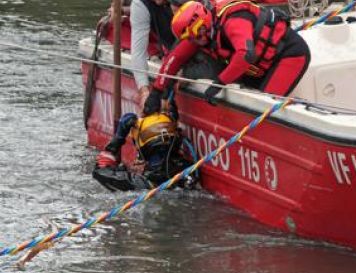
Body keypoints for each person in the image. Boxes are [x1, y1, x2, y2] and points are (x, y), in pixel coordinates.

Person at [143, 0, 311, 109]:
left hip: (288, 56)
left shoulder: (233, 21)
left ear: (201, 28)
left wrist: (219, 83)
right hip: (258, 67)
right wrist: (156, 92)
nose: (192, 43)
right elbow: (175, 58)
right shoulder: (199, 34)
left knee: (264, 108)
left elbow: (246, 55)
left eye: (193, 38)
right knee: (252, 104)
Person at [93, 109, 198, 191]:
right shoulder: (189, 171)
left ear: (144, 149)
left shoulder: (141, 184)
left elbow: (99, 172)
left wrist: (117, 141)